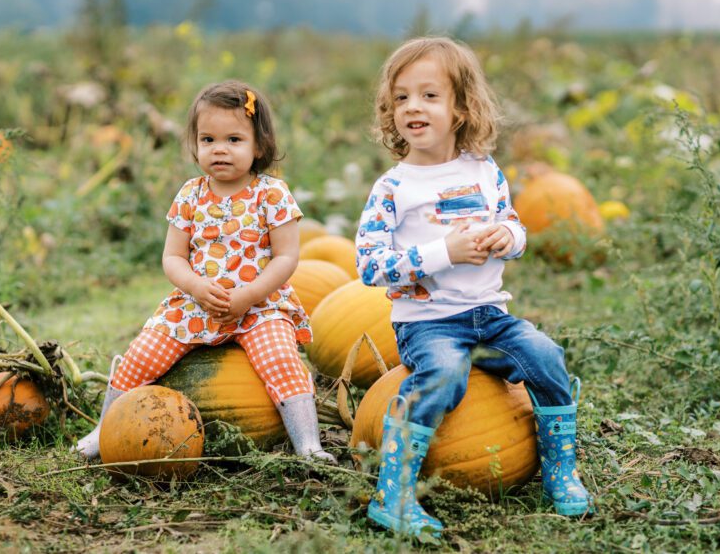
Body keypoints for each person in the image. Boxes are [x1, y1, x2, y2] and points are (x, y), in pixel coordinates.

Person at [356, 37, 593, 536]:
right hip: (428, 323)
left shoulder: (485, 172)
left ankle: (560, 470)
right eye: (401, 98)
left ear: (461, 107)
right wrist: (445, 252)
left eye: (429, 95)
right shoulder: (393, 188)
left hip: (490, 316)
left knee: (546, 356)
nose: (412, 107)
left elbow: (515, 227)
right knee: (444, 374)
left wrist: (506, 236)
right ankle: (392, 494)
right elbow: (371, 266)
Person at [75, 80, 334, 464]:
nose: (220, 149)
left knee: (281, 358)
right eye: (208, 139)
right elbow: (173, 258)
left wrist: (248, 295)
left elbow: (286, 258)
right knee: (143, 353)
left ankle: (308, 443)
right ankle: (104, 430)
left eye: (233, 139)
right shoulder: (190, 195)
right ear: (195, 145)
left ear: (259, 145)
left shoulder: (273, 194)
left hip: (259, 305)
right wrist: (195, 286)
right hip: (197, 304)